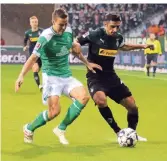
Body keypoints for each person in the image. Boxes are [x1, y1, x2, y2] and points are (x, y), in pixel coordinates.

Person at [15, 8, 102, 145]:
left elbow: (74, 50)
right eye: (61, 24)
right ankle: (29, 128)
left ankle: (60, 128)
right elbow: (32, 58)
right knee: (54, 111)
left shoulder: (68, 31)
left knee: (84, 97)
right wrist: (21, 76)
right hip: (51, 78)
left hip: (66, 76)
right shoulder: (45, 37)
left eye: (66, 23)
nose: (64, 27)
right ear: (53, 22)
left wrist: (87, 63)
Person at [76, 13, 154, 141]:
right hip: (95, 77)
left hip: (111, 77)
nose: (115, 30)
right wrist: (86, 63)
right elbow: (74, 44)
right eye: (113, 27)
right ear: (105, 24)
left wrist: (142, 46)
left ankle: (131, 133)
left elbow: (124, 46)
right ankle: (118, 132)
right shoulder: (95, 34)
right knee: (100, 100)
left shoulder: (118, 37)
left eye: (118, 27)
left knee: (132, 106)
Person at [23, 16, 44, 91]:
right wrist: (25, 46)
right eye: (33, 22)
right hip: (33, 54)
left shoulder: (42, 31)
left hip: (42, 53)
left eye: (36, 22)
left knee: (45, 69)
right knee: (35, 69)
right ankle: (40, 86)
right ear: (30, 23)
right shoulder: (28, 33)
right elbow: (25, 40)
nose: (35, 23)